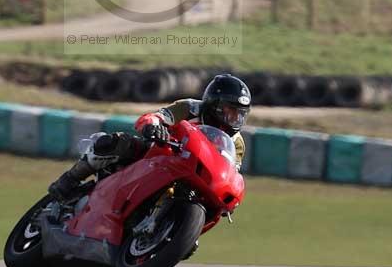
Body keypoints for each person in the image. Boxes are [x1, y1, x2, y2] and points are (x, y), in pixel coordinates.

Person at [48, 72, 252, 201]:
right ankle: (69, 180)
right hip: (160, 152)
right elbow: (157, 116)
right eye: (229, 110)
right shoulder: (190, 108)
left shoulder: (237, 143)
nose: (234, 118)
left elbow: (230, 171)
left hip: (193, 175)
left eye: (239, 114)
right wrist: (152, 127)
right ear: (214, 104)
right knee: (117, 142)